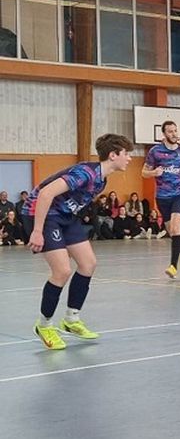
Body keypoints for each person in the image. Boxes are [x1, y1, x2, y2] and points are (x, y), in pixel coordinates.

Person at [22, 133, 133, 350]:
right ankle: (44, 325)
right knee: (62, 271)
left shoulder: (102, 180)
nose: (129, 158)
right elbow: (45, 194)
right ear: (113, 155)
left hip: (65, 216)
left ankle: (71, 319)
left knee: (88, 264)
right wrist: (37, 231)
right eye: (126, 154)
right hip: (42, 213)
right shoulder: (85, 173)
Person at [142, 120, 180, 278]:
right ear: (164, 134)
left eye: (175, 131)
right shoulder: (155, 151)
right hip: (162, 196)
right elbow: (143, 172)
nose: (174, 134)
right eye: (170, 131)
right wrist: (153, 173)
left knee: (176, 228)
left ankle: (173, 266)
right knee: (171, 232)